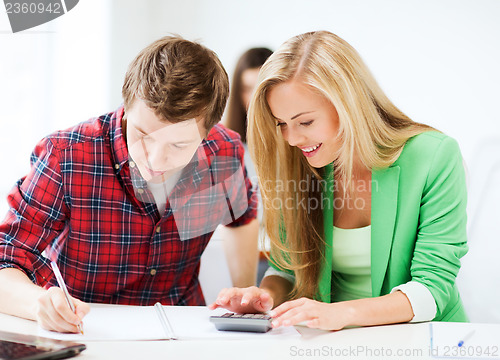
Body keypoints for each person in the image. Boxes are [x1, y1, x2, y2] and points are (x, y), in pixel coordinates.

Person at [210, 30, 468, 331]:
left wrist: (342, 314)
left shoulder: (434, 156)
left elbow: (432, 290)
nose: (292, 139)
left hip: (428, 339)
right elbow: (288, 270)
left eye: (305, 122)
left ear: (348, 104)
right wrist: (264, 296)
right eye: (281, 123)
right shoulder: (300, 163)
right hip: (333, 342)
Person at [0, 36, 259, 333]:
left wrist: (245, 294)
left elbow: (241, 219)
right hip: (84, 328)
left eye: (178, 145)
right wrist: (38, 303)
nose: (156, 160)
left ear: (207, 132)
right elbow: (6, 255)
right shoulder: (67, 155)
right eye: (142, 134)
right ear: (127, 101)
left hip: (184, 331)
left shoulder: (224, 151)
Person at [224, 47, 273, 144]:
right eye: (247, 89)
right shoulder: (220, 142)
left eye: (261, 88)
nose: (254, 97)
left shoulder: (293, 138)